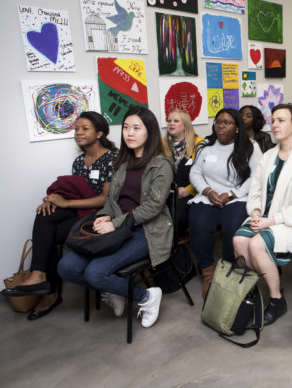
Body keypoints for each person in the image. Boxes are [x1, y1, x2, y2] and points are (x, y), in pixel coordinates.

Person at [57, 106, 174, 328]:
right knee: (67, 267)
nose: (129, 133)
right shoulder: (122, 161)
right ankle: (114, 290)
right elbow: (111, 199)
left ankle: (147, 297)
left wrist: (115, 223)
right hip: (116, 225)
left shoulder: (161, 164)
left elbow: (152, 208)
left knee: (95, 273)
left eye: (136, 128)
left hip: (146, 230)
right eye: (126, 128)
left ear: (149, 132)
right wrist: (103, 216)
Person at [1, 112, 117, 320]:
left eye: (85, 128)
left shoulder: (112, 159)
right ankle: (40, 277)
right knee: (44, 213)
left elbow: (104, 200)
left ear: (99, 133)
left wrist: (66, 203)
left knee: (48, 236)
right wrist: (54, 198)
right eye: (76, 129)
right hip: (79, 211)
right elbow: (75, 190)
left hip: (101, 215)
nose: (78, 133)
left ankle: (50, 291)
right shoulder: (79, 162)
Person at [233, 103, 292, 326]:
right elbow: (255, 190)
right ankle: (251, 292)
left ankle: (276, 299)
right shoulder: (268, 156)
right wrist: (254, 211)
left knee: (255, 246)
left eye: (281, 120)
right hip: (265, 216)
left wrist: (270, 221)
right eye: (273, 120)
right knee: (239, 240)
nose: (274, 124)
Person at [188, 109, 261, 298]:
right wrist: (208, 191)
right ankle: (208, 273)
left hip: (237, 196)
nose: (220, 126)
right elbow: (195, 172)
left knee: (232, 226)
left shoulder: (250, 147)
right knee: (198, 222)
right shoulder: (206, 145)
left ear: (237, 128)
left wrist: (231, 194)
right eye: (218, 122)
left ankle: (227, 270)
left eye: (226, 123)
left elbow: (256, 177)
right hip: (208, 195)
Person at [162, 109, 203, 237]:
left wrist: (188, 190)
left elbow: (205, 175)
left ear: (185, 125)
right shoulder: (162, 143)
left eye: (176, 121)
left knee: (176, 218)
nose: (171, 123)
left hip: (192, 192)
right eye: (169, 121)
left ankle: (172, 250)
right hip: (167, 192)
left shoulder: (199, 144)